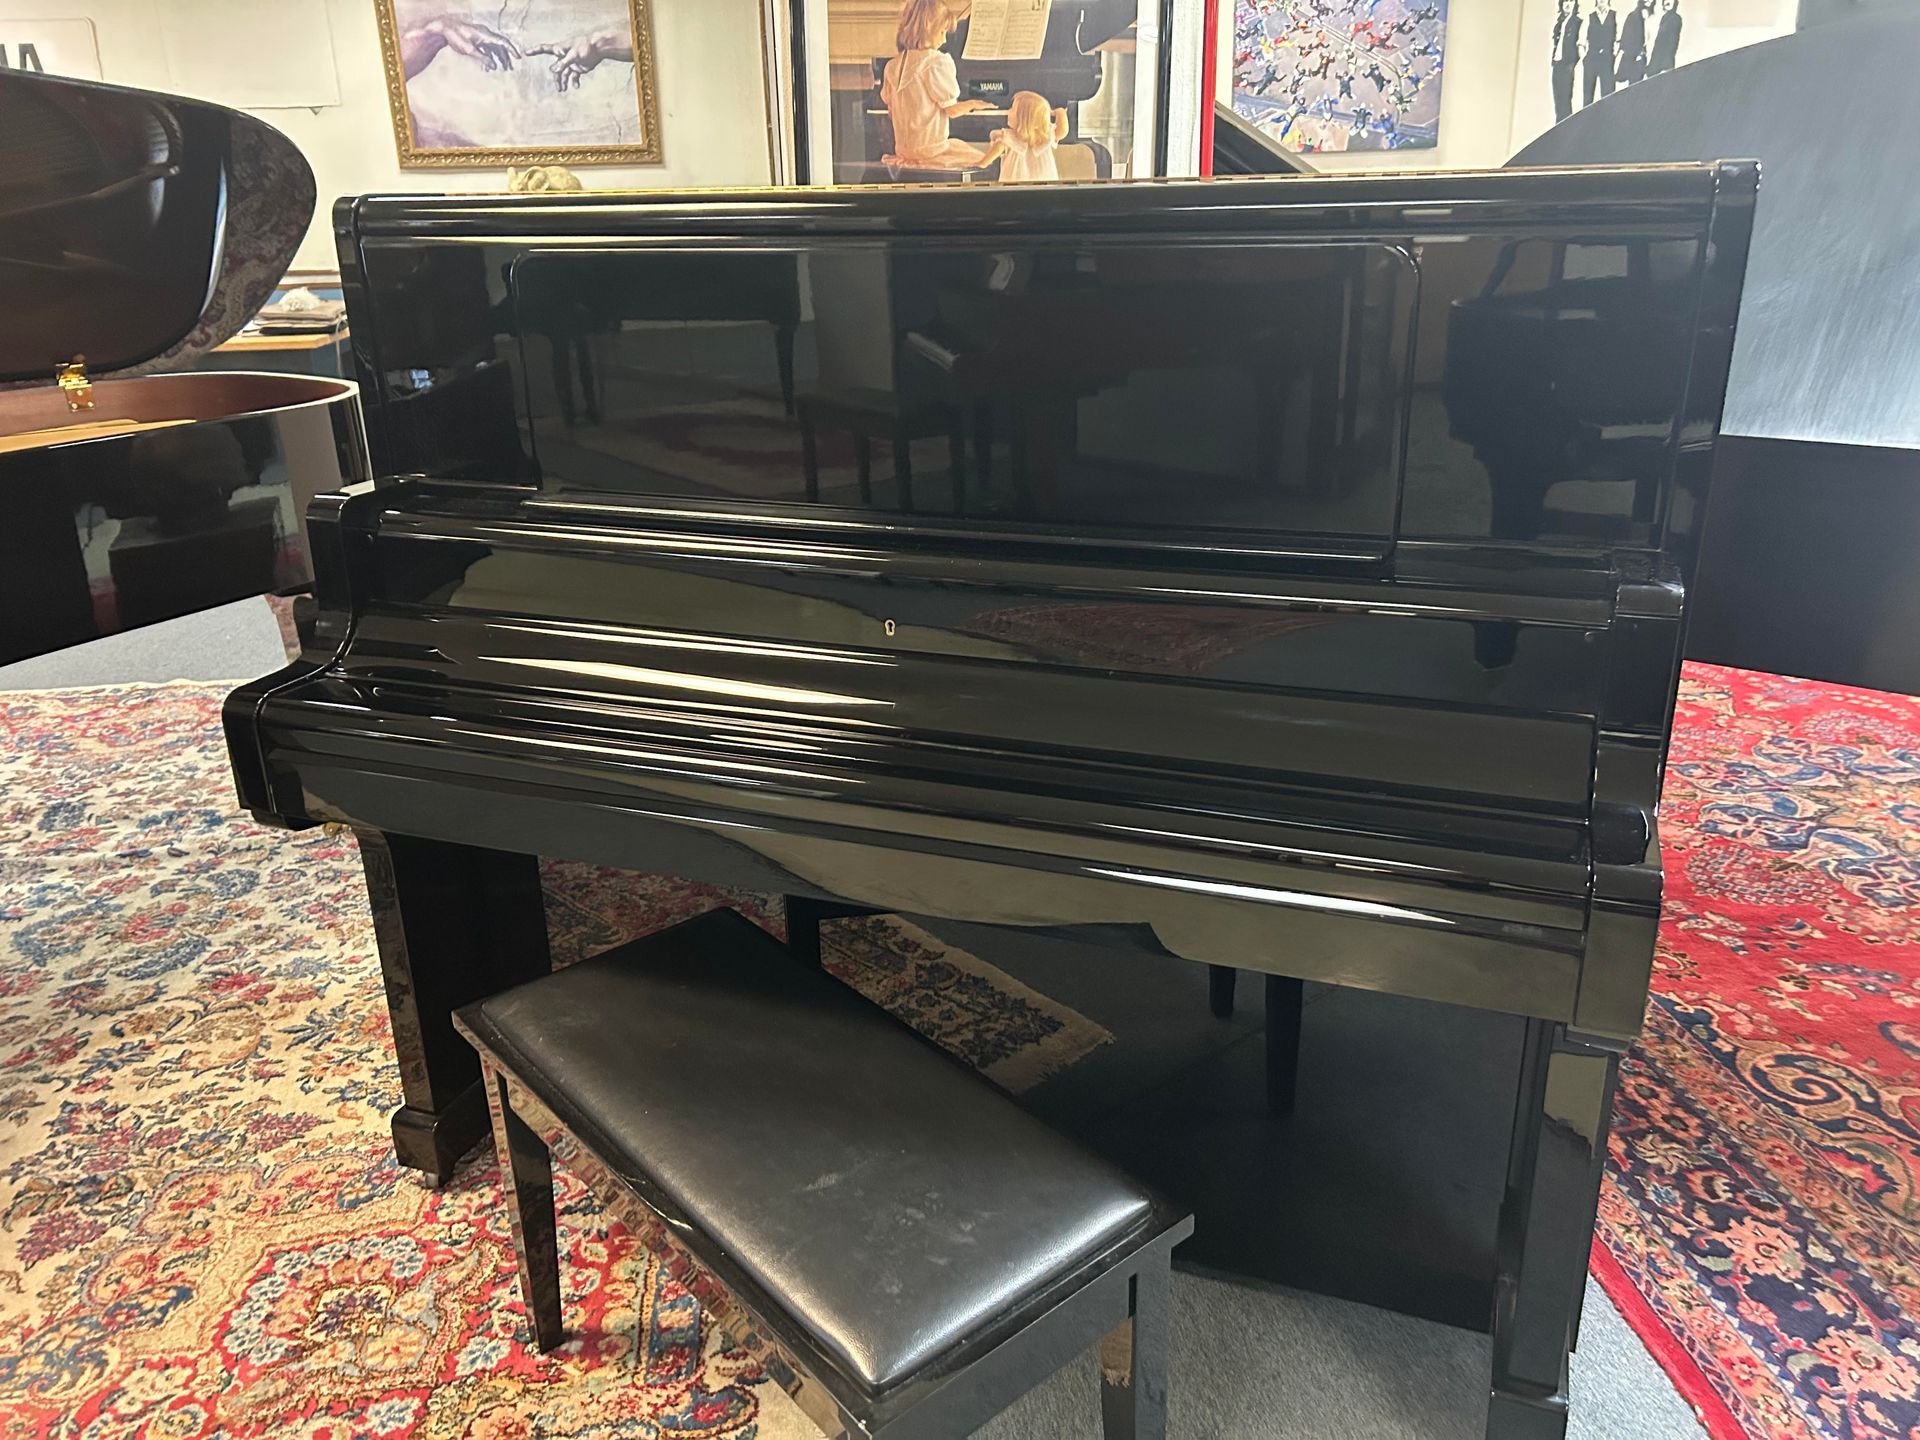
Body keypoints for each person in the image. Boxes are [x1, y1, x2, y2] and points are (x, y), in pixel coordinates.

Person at [880, 0, 990, 168]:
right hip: (932, 152)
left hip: (903, 152)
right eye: (942, 31)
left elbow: (890, 110)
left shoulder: (892, 65)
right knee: (988, 160)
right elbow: (952, 111)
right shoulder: (935, 62)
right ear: (929, 29)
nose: (945, 39)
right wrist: (974, 103)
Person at [983, 91, 1068, 182]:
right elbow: (1062, 131)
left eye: (1012, 109)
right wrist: (1060, 112)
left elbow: (986, 161)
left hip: (1012, 188)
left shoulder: (1006, 138)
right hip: (1045, 187)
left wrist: (979, 163)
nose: (1008, 111)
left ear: (1023, 118)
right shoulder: (1045, 136)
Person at [1583, 0, 1618, 105]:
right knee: (1588, 97)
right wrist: (1584, 59)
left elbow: (1619, 39)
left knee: (1608, 95)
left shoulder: (1615, 16)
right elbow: (1581, 41)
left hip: (1608, 60)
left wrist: (1614, 56)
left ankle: (1607, 120)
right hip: (1591, 59)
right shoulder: (1589, 17)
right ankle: (1587, 121)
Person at [1550, 0, 1580, 121]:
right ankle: (1558, 129)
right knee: (1558, 101)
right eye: (1565, 1)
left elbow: (1579, 44)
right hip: (1557, 64)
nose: (1568, 4)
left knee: (1566, 100)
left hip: (1567, 64)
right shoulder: (1559, 22)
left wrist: (1572, 63)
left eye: (1571, 1)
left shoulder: (1577, 22)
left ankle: (1565, 130)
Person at [1616, 0, 1651, 84]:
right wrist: (1636, 54)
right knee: (1635, 86)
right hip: (1635, 59)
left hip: (1650, 59)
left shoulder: (1656, 17)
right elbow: (1626, 38)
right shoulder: (1633, 16)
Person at [1648, 0, 1683, 75]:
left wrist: (1665, 64)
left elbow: (1672, 42)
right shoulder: (1664, 18)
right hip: (1656, 60)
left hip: (1665, 61)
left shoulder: (1675, 18)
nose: (1668, 2)